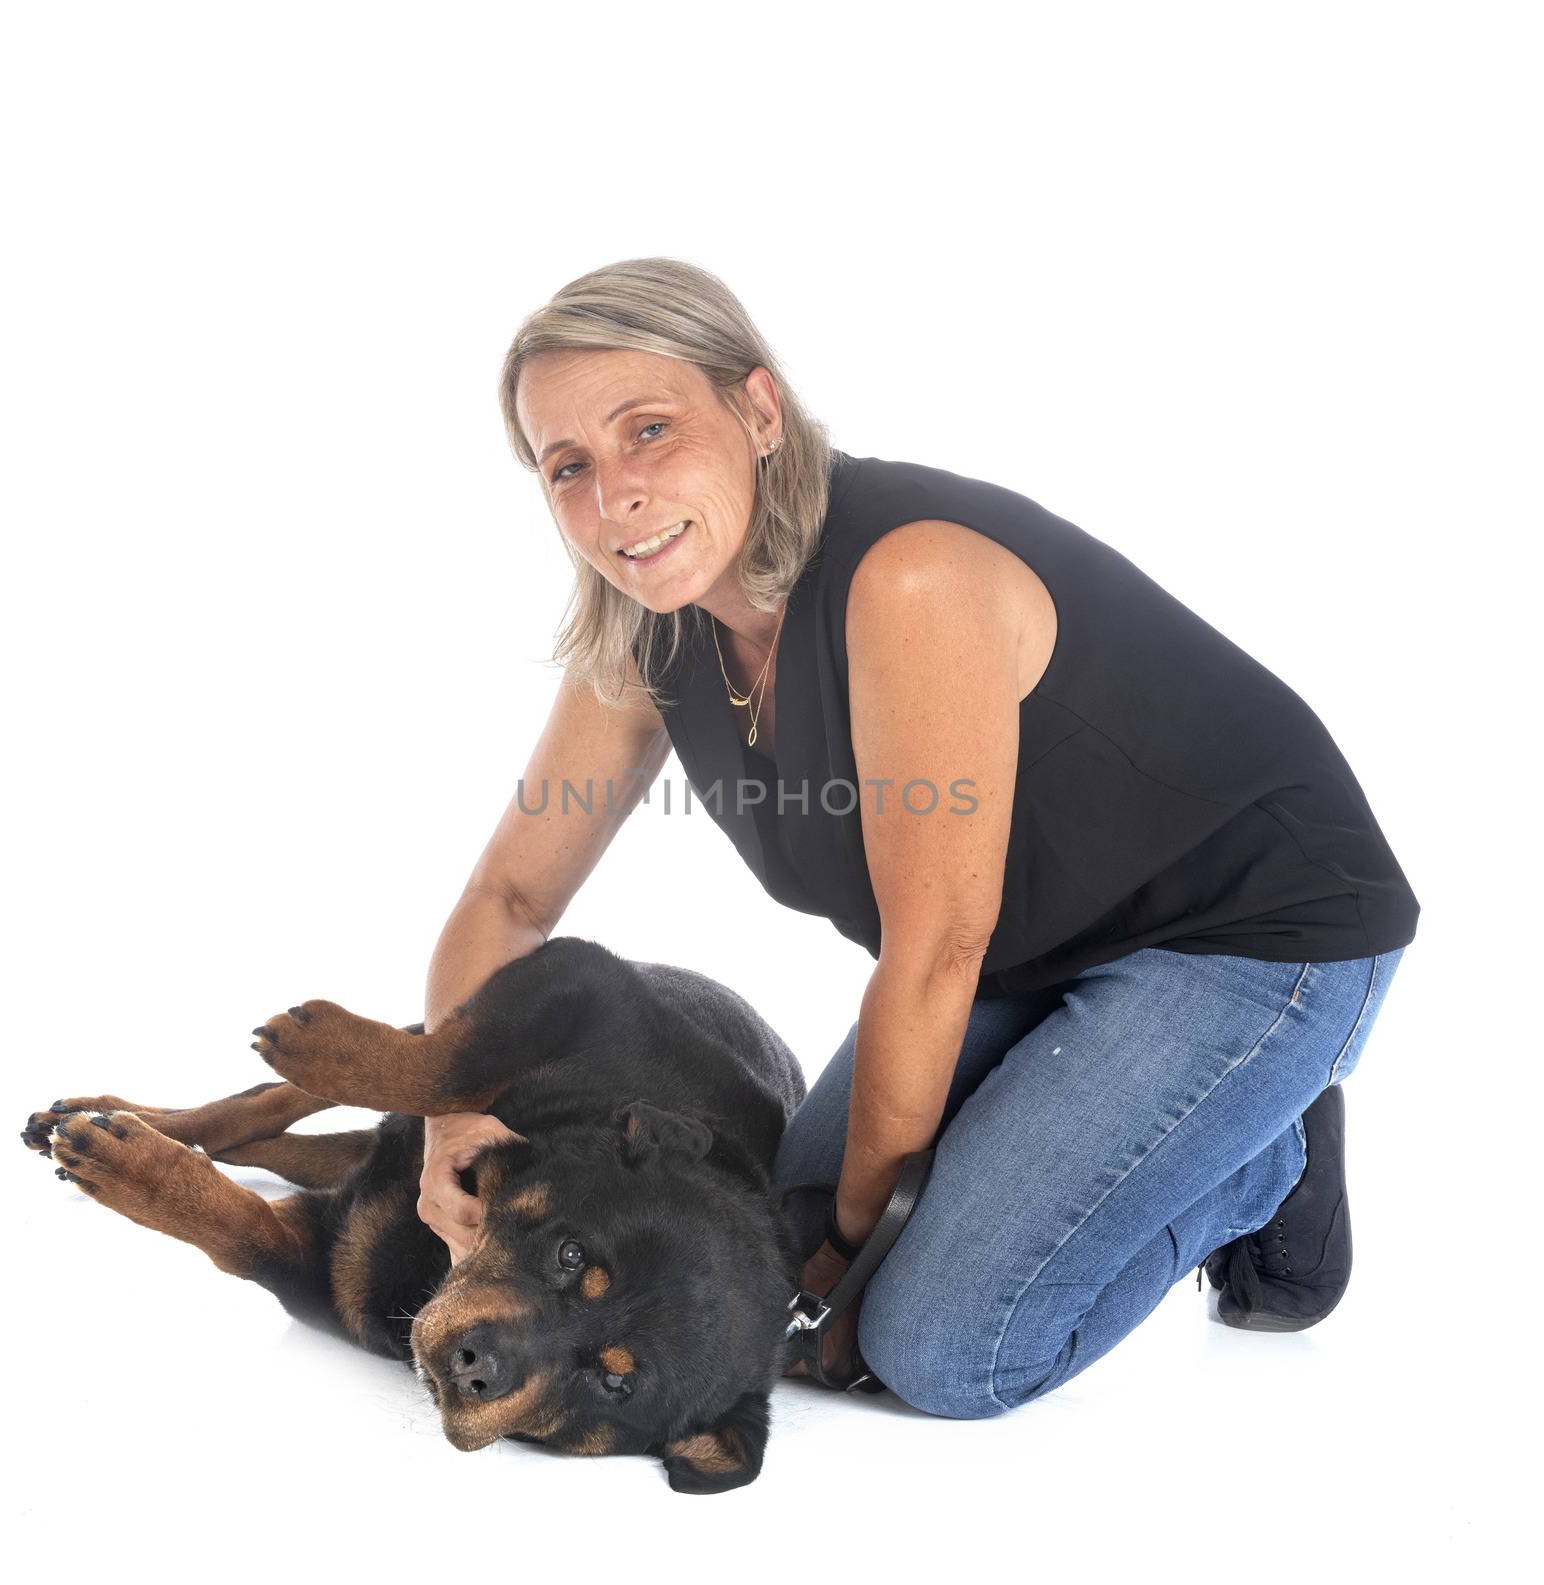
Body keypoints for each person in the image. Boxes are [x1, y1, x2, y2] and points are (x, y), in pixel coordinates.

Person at [415, 256, 1419, 1415]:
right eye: (568, 466)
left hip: (1253, 933)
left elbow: (934, 948)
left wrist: (858, 1248)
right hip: (1037, 941)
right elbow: (509, 900)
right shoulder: (650, 632)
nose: (615, 495)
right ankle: (1187, 1117)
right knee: (772, 1223)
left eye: (650, 429)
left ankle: (1261, 1152)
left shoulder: (909, 581)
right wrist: (449, 1105)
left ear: (756, 411)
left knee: (942, 1348)